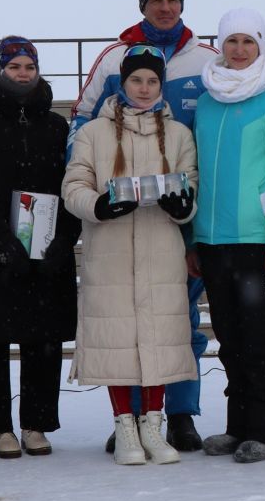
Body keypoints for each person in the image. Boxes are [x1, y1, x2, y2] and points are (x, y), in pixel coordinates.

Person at [73, 0, 217, 452]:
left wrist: (190, 203)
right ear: (142, 5)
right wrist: (97, 188)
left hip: (182, 214)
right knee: (128, 322)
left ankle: (179, 415)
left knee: (178, 319)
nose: (165, 7)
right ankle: (129, 418)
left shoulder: (206, 58)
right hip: (121, 221)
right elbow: (80, 121)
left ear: (182, 4)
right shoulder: (115, 57)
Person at [61, 45, 198, 465]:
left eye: (152, 81)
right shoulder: (93, 134)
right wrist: (99, 206)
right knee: (118, 339)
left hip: (160, 249)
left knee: (159, 336)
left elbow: (191, 185)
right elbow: (74, 186)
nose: (143, 88)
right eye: (136, 80)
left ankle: (153, 427)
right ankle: (124, 426)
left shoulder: (178, 134)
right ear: (122, 83)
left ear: (161, 85)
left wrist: (182, 206)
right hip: (112, 251)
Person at [192, 8, 265, 464]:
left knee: (260, 337)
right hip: (212, 241)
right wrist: (191, 241)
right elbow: (196, 172)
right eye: (231, 41)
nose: (239, 50)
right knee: (229, 336)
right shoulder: (206, 100)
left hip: (259, 241)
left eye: (248, 41)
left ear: (261, 45)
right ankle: (236, 425)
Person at [0, 37, 80, 459]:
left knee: (43, 337)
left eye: (30, 66)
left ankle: (36, 423)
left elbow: (72, 186)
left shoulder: (55, 125)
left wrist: (64, 239)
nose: (23, 73)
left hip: (45, 249)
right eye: (15, 67)